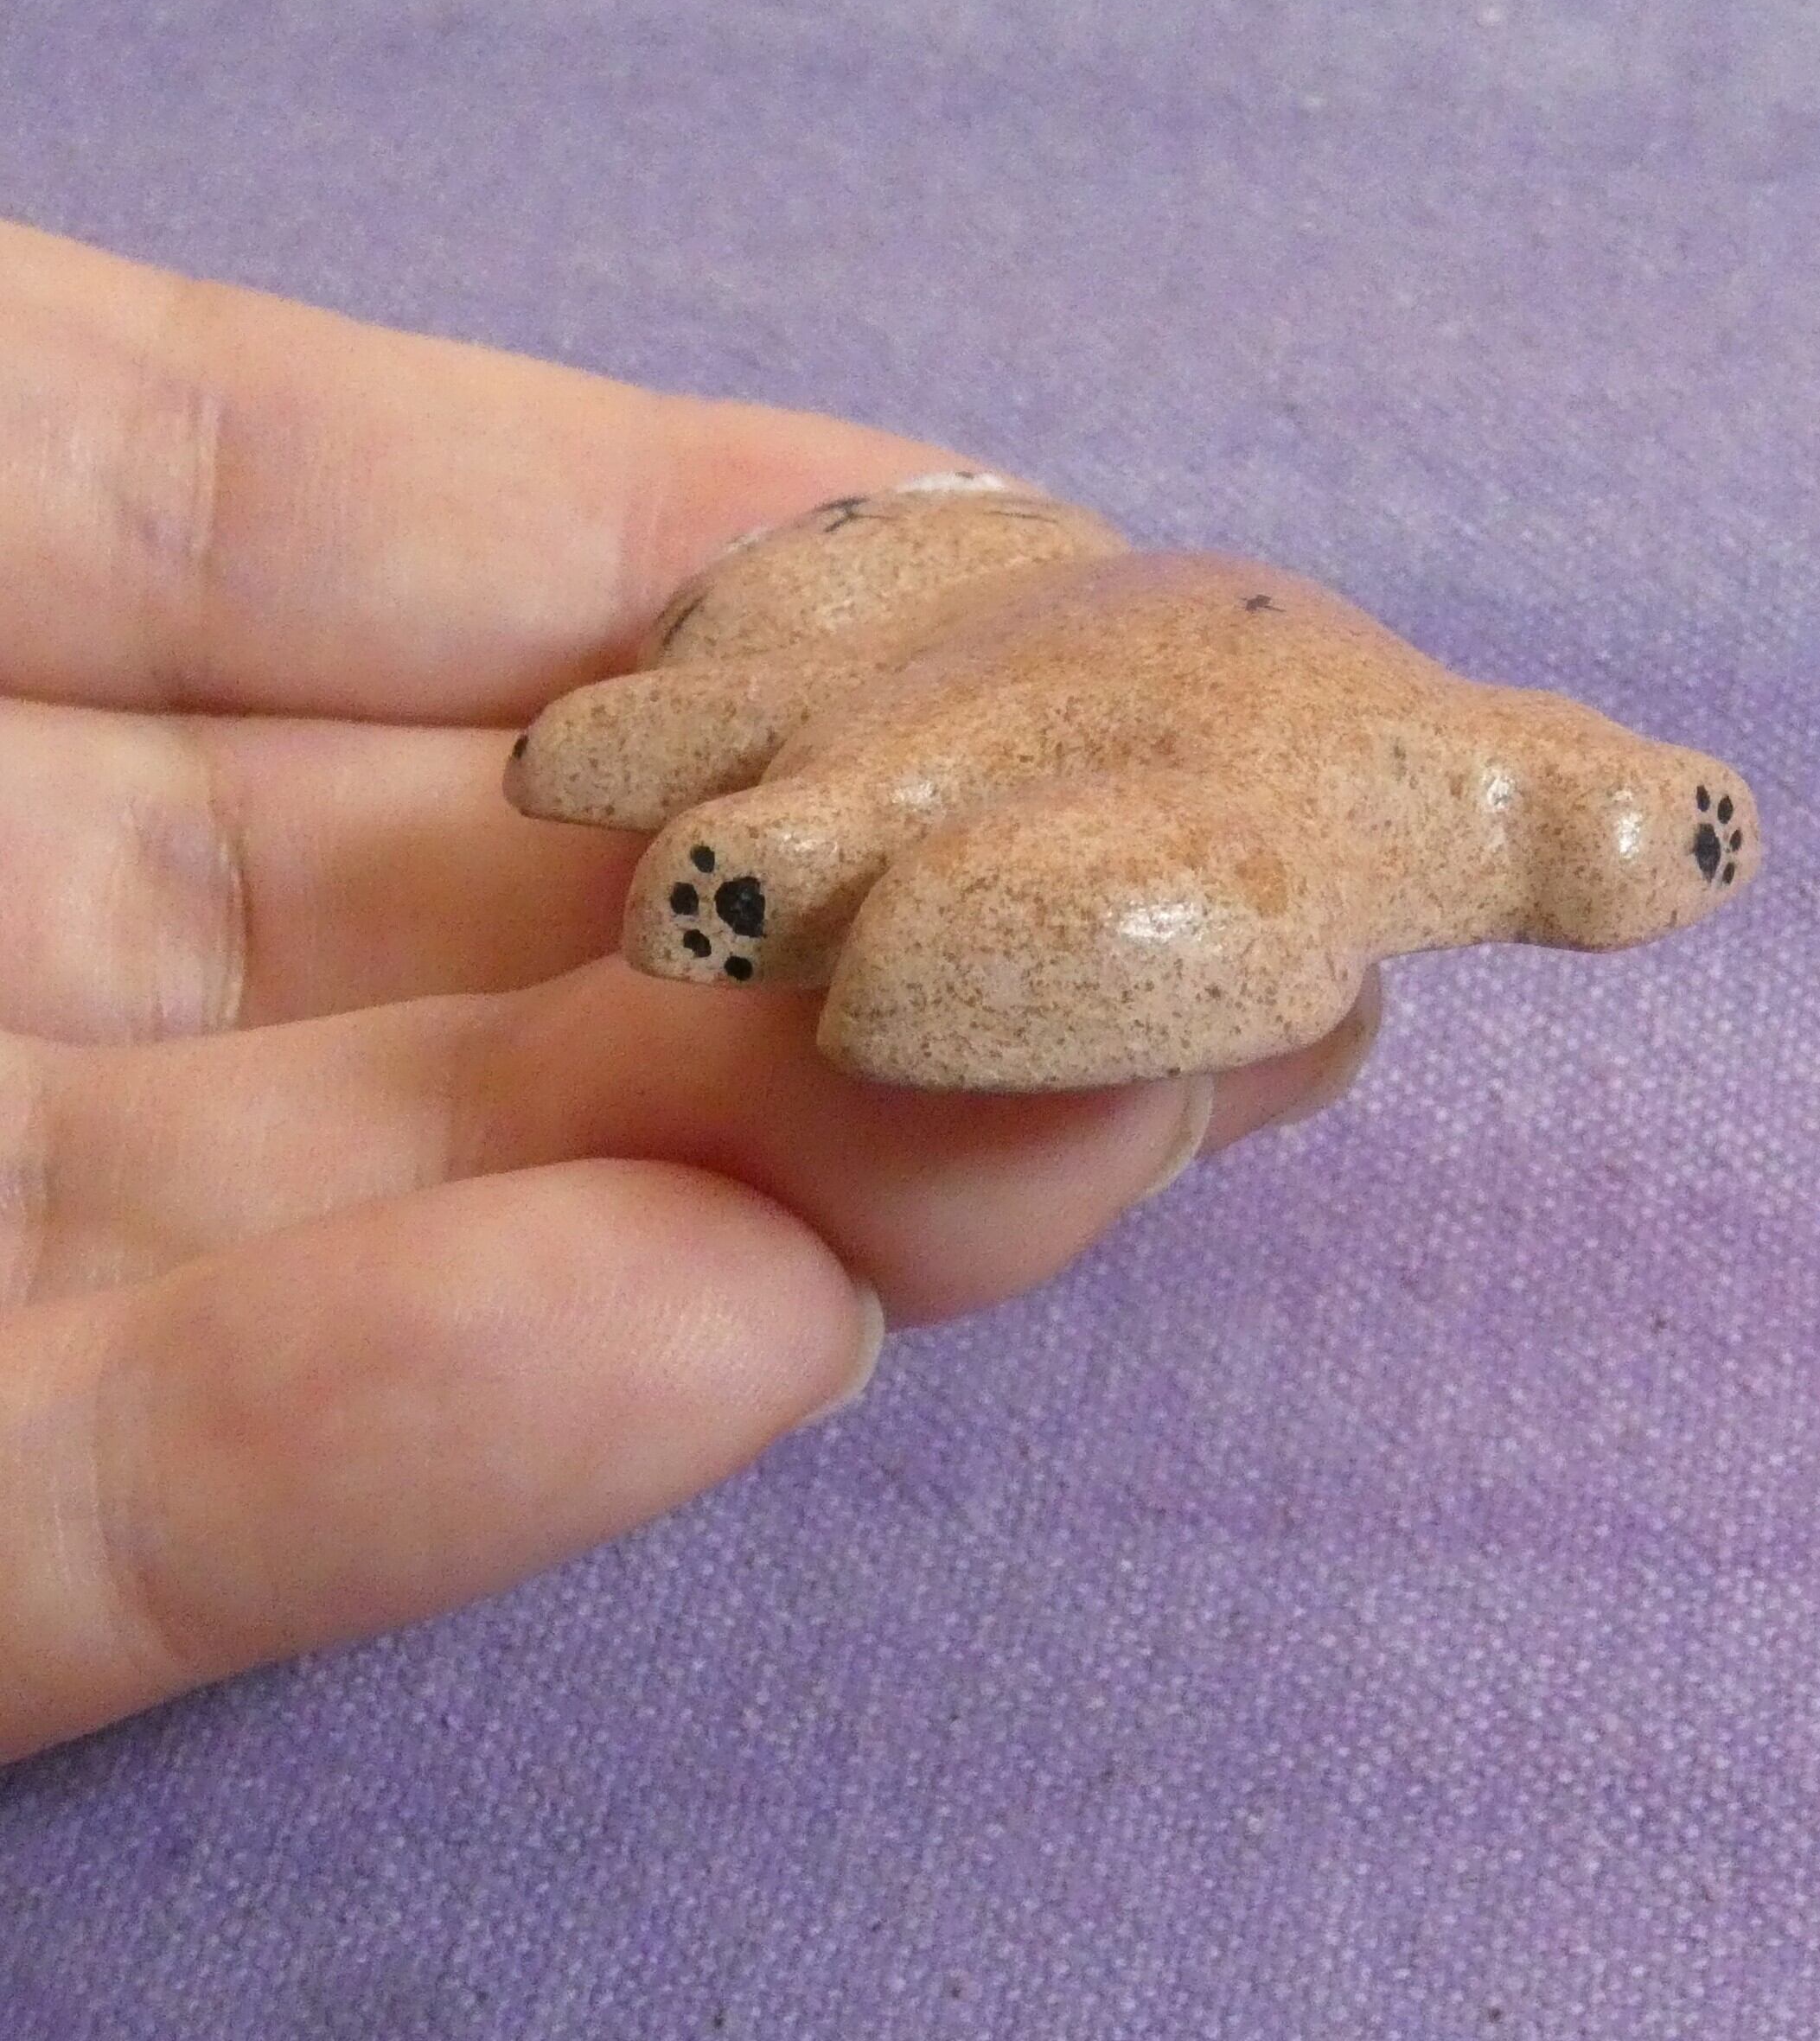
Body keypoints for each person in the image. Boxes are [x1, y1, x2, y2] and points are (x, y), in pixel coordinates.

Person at [0, 218, 1373, 1761]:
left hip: (1056, 732)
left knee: (837, 824)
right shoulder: (878, 713)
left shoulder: (1304, 769)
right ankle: (798, 859)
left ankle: (825, 867)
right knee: (795, 805)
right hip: (921, 698)